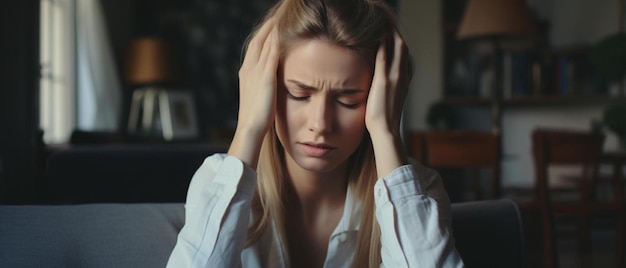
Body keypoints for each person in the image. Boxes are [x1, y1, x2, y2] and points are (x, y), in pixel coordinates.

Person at [167, 0, 464, 267]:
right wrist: (248, 127)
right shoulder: (218, 182)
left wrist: (387, 133)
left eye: (348, 100)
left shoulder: (420, 192)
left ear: (382, 97)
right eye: (298, 94)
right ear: (264, 89)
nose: (320, 124)